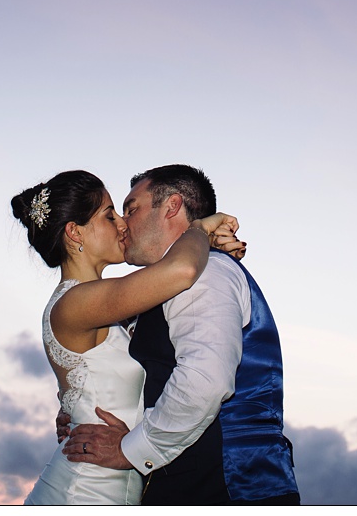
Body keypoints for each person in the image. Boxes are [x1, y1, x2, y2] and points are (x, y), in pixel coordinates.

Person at [61, 164, 300, 505]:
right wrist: (81, 408)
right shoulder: (158, 291)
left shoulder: (207, 272)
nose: (123, 223)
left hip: (230, 485)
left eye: (131, 209)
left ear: (171, 206)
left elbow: (205, 380)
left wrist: (130, 450)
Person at [11, 170, 244, 506]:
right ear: (75, 232)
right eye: (109, 215)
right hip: (83, 491)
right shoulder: (77, 302)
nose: (122, 224)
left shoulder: (106, 309)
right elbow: (181, 270)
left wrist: (75, 408)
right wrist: (198, 230)